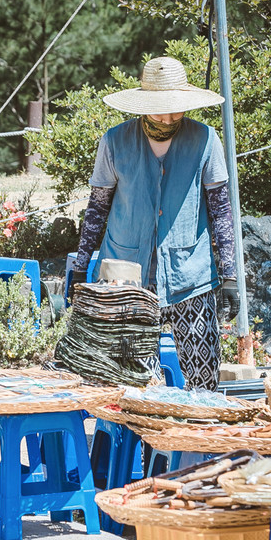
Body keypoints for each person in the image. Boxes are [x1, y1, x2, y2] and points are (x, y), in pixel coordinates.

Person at [69, 56, 239, 391]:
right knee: (130, 381)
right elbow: (97, 208)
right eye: (160, 110)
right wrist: (80, 265)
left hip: (190, 275)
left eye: (175, 109)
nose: (168, 118)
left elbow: (221, 211)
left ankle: (194, 427)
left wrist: (230, 276)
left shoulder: (205, 140)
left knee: (203, 379)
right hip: (126, 277)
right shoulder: (115, 141)